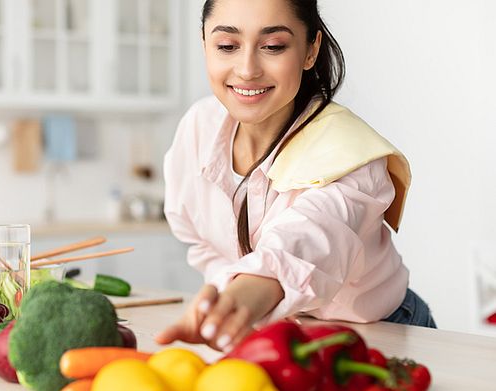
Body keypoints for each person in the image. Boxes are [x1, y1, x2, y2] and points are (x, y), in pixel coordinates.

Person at [156, 0, 436, 353]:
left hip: (380, 336)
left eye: (273, 46)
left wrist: (244, 295)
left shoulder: (349, 151)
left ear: (310, 50)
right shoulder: (199, 126)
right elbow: (198, 239)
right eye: (227, 46)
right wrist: (231, 302)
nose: (246, 70)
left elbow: (308, 240)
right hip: (277, 336)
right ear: (205, 45)